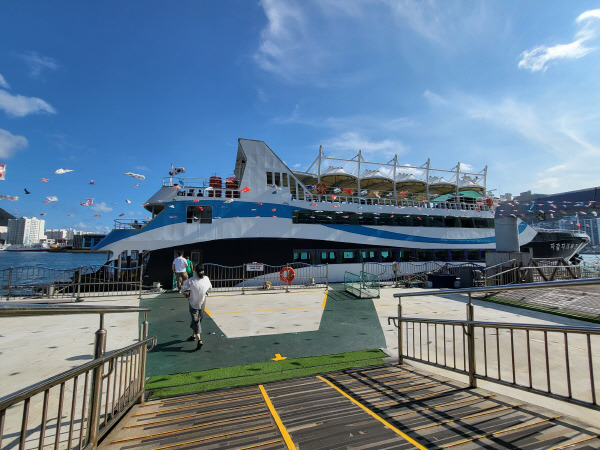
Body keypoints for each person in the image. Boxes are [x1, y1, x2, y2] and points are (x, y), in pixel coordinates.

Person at [180, 265, 212, 351]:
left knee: (196, 320)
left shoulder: (191, 281)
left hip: (193, 303)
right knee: (198, 320)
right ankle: (195, 336)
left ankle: (199, 339)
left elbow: (182, 290)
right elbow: (209, 288)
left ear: (196, 272)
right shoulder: (206, 279)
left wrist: (186, 295)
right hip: (202, 302)